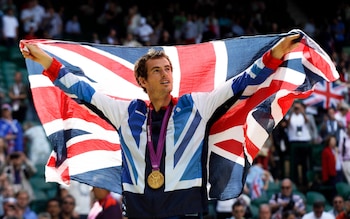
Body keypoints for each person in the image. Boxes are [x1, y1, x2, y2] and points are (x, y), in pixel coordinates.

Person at [20, 33, 301, 218]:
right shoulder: (124, 112)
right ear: (142, 81)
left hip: (184, 209)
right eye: (157, 70)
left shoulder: (195, 107)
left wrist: (275, 53)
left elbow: (241, 84)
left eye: (168, 69)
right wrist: (45, 60)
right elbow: (81, 90)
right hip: (139, 210)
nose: (165, 74)